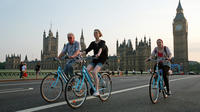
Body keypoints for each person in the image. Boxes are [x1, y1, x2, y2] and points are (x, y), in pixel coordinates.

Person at [81, 29, 108, 96]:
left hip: (101, 59)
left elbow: (101, 49)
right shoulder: (92, 43)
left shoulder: (102, 42)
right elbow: (87, 50)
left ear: (99, 34)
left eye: (96, 33)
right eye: (94, 33)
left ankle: (97, 91)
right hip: (95, 59)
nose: (95, 34)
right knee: (86, 70)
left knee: (94, 72)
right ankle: (94, 81)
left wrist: (98, 54)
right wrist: (80, 53)